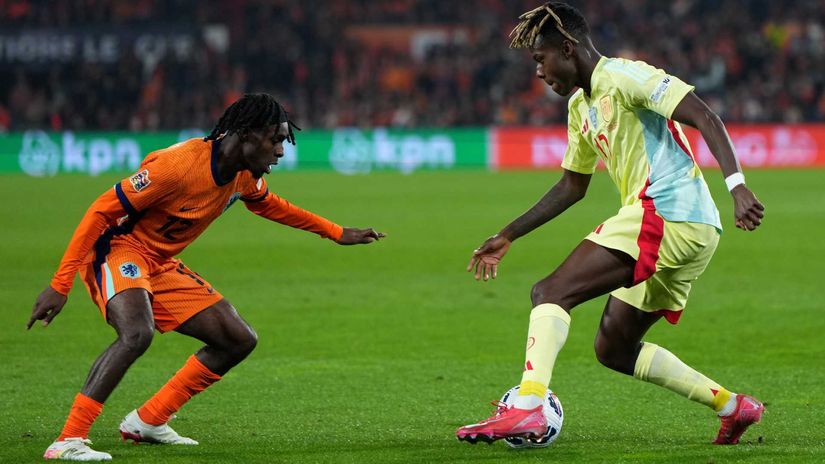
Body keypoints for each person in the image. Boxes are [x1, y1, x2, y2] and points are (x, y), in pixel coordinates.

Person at [456, 2, 765, 446]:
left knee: (550, 292)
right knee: (614, 348)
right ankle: (733, 407)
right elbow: (572, 186)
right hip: (689, 228)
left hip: (667, 211)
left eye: (541, 59)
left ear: (567, 48)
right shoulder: (580, 107)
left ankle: (529, 406)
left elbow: (705, 116)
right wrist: (508, 234)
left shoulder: (624, 76)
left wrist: (737, 186)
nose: (538, 72)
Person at [28, 93, 385, 461]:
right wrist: (60, 284)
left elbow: (270, 205)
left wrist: (336, 232)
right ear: (246, 134)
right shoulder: (178, 167)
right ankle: (68, 439)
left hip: (160, 260)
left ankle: (149, 420)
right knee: (136, 333)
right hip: (118, 248)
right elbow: (101, 211)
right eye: (275, 140)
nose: (281, 151)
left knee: (237, 339)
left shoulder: (243, 175)